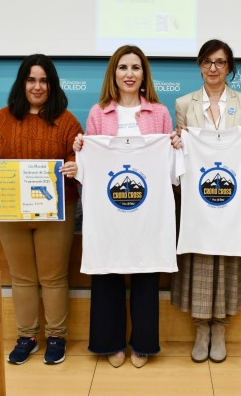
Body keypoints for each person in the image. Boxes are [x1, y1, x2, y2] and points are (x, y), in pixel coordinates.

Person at [0, 54, 82, 365]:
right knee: (22, 277)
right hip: (11, 211)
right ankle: (26, 336)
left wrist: (74, 165)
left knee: (54, 277)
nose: (37, 86)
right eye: (31, 80)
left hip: (56, 212)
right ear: (22, 83)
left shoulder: (67, 120)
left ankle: (56, 336)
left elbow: (78, 155)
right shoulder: (2, 118)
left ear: (52, 85)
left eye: (44, 80)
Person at [72, 45, 177, 369]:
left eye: (135, 67)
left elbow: (170, 170)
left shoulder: (159, 113)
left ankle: (143, 344)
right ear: (113, 74)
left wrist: (174, 146)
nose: (129, 74)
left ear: (144, 74)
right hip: (109, 212)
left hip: (148, 213)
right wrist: (81, 149)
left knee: (147, 272)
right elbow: (89, 170)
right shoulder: (97, 113)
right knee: (107, 270)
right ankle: (110, 343)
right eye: (123, 68)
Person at [171, 39, 241, 364]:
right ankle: (200, 328)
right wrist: (177, 143)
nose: (213, 68)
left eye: (220, 62)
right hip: (197, 201)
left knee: (227, 260)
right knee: (199, 258)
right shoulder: (184, 104)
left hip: (230, 201)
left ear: (229, 67)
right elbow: (181, 155)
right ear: (199, 65)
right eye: (208, 62)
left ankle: (220, 327)